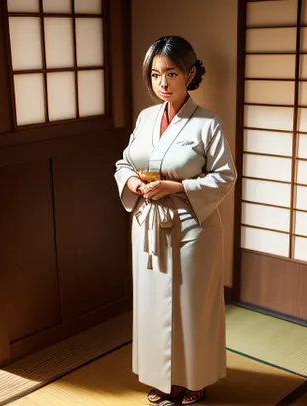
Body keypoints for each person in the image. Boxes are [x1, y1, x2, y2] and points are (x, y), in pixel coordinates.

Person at [114, 36, 237, 406]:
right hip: (148, 225)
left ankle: (194, 379)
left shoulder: (208, 124)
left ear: (191, 73)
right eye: (155, 75)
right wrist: (132, 181)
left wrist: (176, 185)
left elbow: (225, 176)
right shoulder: (146, 118)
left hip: (191, 227)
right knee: (153, 305)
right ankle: (164, 378)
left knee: (191, 307)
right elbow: (125, 163)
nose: (162, 83)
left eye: (171, 73)